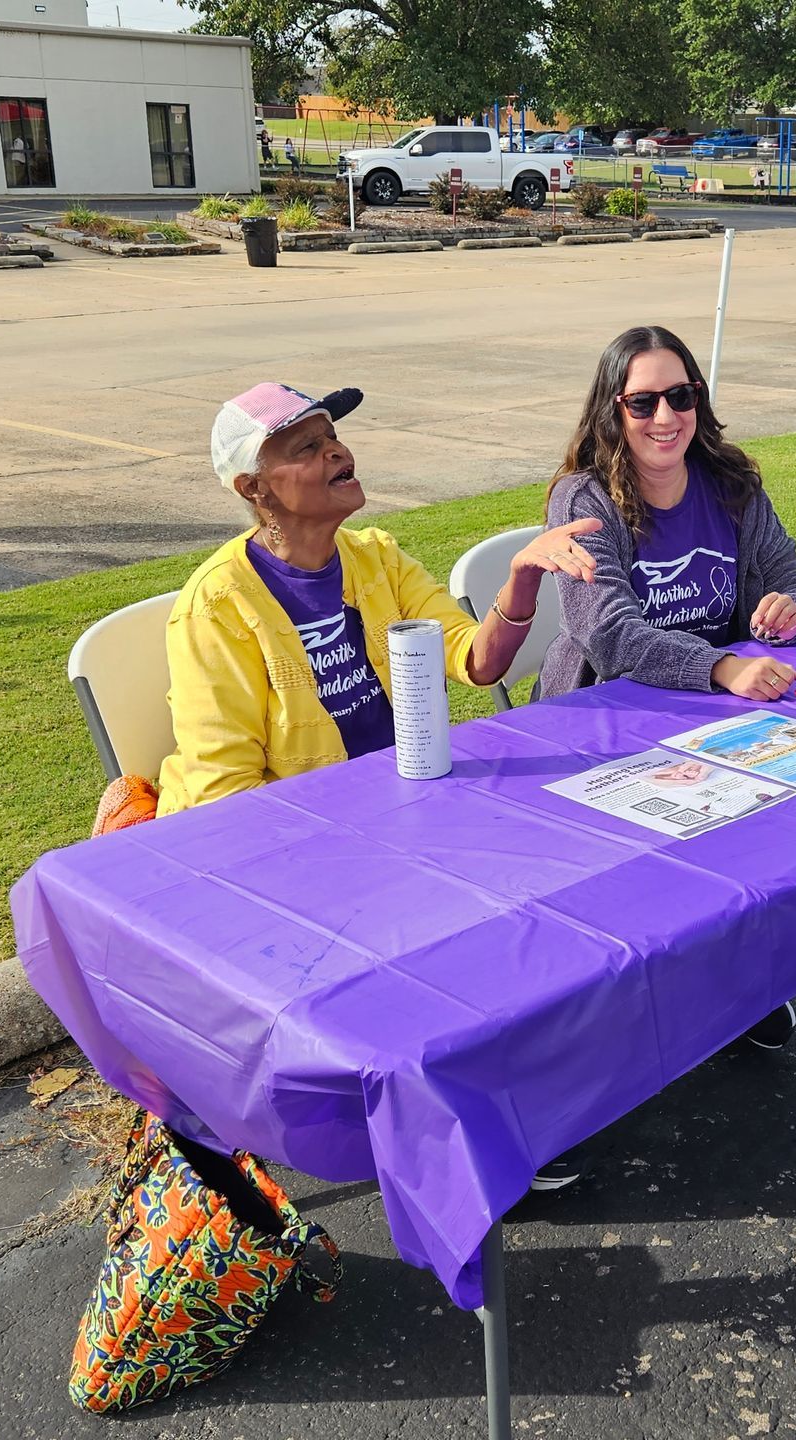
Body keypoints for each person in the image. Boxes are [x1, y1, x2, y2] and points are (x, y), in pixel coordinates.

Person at [162, 382, 603, 1187]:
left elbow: (474, 661)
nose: (336, 452)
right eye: (305, 447)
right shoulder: (216, 608)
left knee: (540, 868)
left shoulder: (375, 557)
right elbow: (229, 804)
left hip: (401, 807)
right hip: (286, 852)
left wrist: (524, 583)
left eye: (333, 437)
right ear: (253, 491)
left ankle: (503, 1089)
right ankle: (461, 1131)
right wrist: (375, 843)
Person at [539, 324, 796, 1049]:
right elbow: (608, 633)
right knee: (632, 880)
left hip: (712, 710)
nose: (665, 417)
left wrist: (791, 610)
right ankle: (602, 1025)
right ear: (612, 409)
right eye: (643, 403)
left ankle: (735, 989)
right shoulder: (584, 497)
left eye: (681, 396)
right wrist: (721, 666)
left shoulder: (731, 484)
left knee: (763, 836)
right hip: (605, 713)